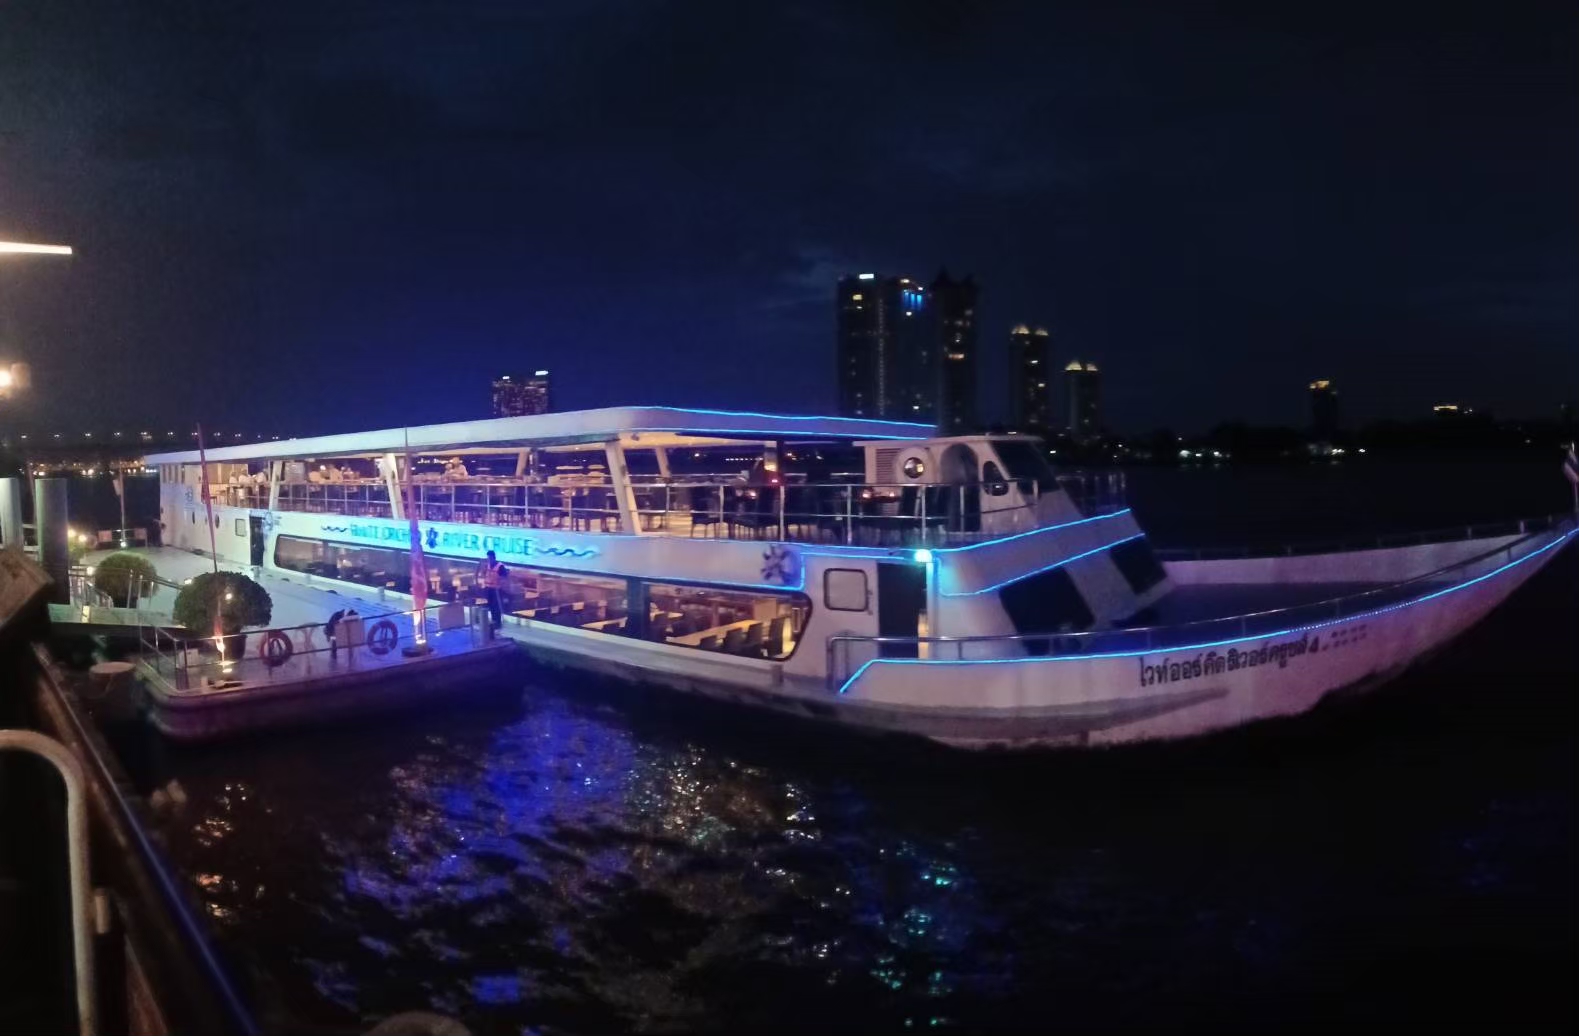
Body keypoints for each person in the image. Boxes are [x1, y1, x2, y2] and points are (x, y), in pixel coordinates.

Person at [476, 550, 506, 631]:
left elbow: (504, 576)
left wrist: (500, 581)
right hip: (488, 588)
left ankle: (498, 623)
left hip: (496, 590)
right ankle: (493, 622)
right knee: (490, 607)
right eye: (488, 558)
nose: (488, 559)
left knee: (496, 607)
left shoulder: (500, 566)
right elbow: (484, 574)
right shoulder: (488, 565)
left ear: (493, 557)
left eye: (490, 558)